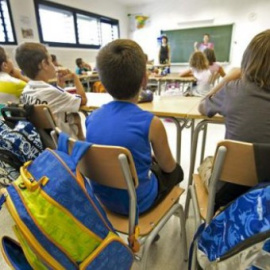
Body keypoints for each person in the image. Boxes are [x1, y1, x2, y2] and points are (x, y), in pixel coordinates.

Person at [85, 39, 183, 215]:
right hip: (138, 203)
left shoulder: (91, 117)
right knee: (177, 171)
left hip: (102, 200)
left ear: (103, 83)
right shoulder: (152, 123)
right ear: (144, 80)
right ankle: (169, 211)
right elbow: (168, 167)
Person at [198, 29, 270, 210]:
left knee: (207, 161)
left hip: (227, 194)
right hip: (266, 198)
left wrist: (227, 79)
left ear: (247, 60)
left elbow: (202, 106)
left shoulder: (232, 90)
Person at [15, 42, 87, 139]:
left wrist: (59, 87)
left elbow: (53, 98)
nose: (54, 65)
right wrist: (75, 77)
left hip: (47, 145)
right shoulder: (52, 92)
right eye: (50, 61)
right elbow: (83, 100)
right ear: (44, 64)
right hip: (67, 145)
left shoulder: (26, 91)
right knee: (77, 117)